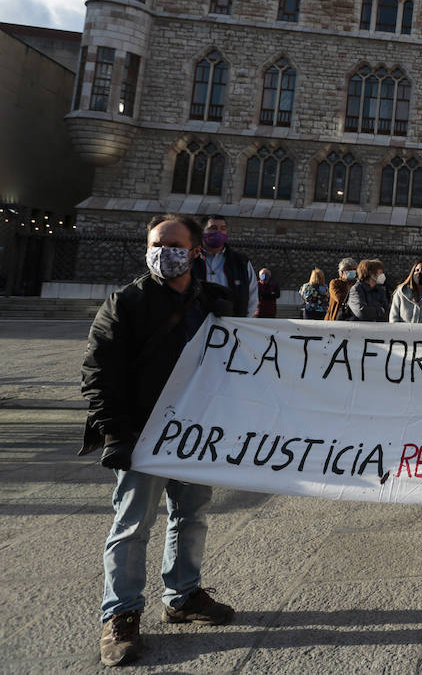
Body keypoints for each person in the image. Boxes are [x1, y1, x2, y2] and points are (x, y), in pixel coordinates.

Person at [81, 214, 236, 667]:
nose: (162, 252)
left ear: (193, 251)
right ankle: (122, 614)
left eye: (172, 244)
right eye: (155, 244)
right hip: (142, 432)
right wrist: (116, 431)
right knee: (131, 525)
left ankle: (183, 595)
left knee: (191, 515)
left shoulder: (213, 302)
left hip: (195, 433)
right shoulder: (125, 302)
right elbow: (98, 370)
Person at [191, 215, 256, 317]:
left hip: (231, 324)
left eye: (223, 229)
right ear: (202, 232)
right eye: (213, 228)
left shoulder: (240, 261)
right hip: (197, 323)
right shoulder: (190, 258)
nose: (219, 232)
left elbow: (252, 296)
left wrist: (243, 323)